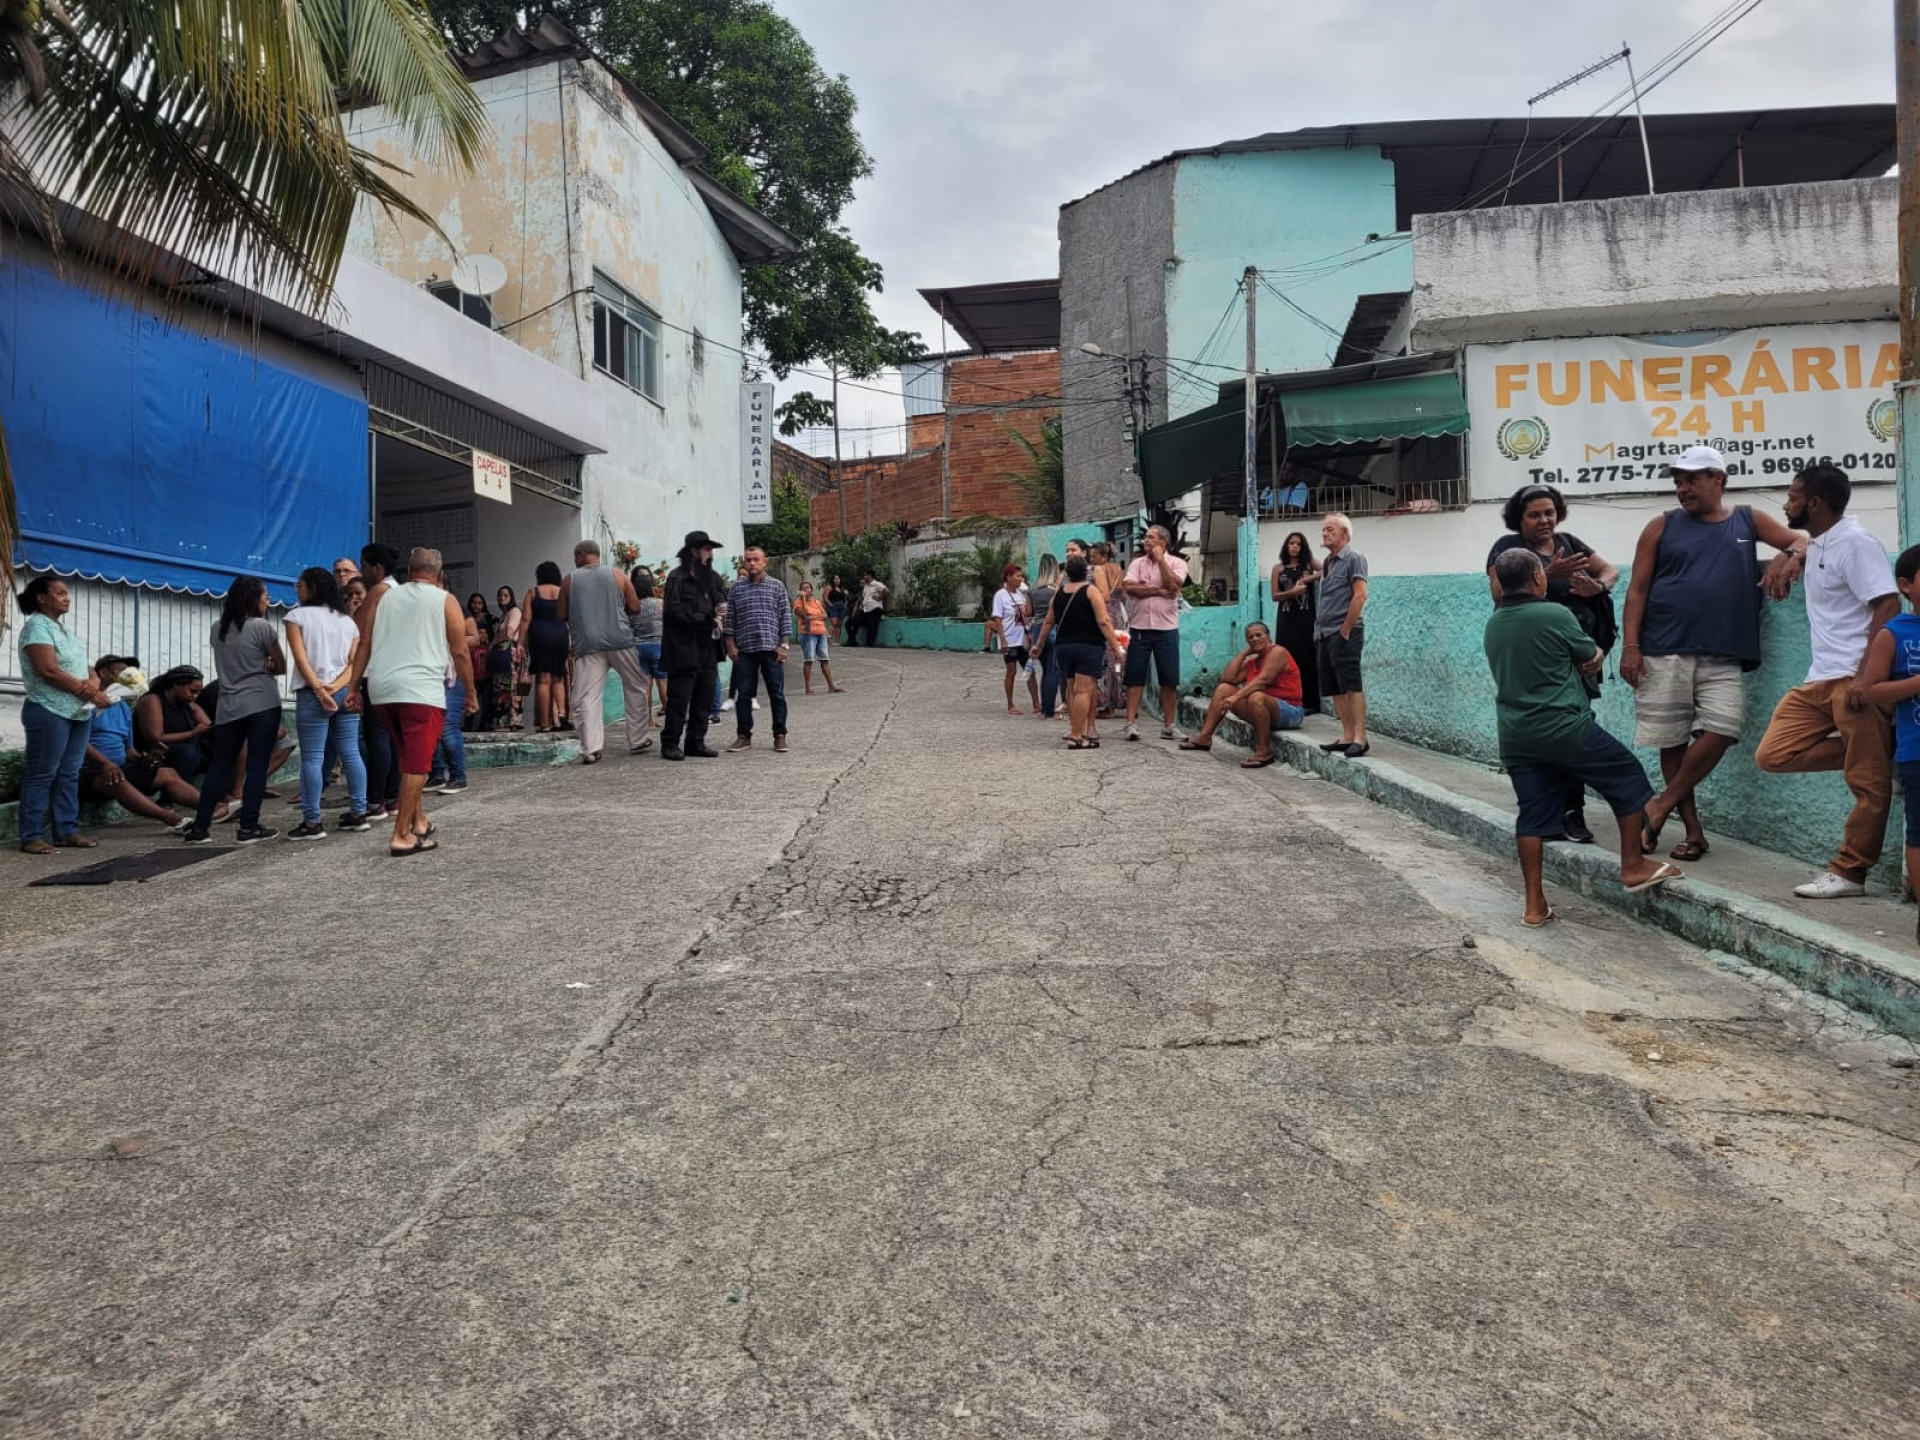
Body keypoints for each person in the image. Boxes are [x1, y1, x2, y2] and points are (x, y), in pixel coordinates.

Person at [1622, 445, 1804, 864]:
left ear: (1718, 480)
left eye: (1692, 479)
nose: (1683, 488)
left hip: (1725, 652)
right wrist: (1631, 647)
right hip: (1663, 648)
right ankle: (1692, 832)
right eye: (1678, 481)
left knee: (1722, 729)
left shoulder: (1746, 519)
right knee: (1672, 740)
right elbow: (1637, 590)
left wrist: (1787, 555)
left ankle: (1660, 805)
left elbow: (1801, 537)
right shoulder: (1660, 526)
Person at [1484, 548, 1680, 925]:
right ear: (1539, 578)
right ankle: (1633, 864)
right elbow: (1589, 654)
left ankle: (1534, 905)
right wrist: (1600, 650)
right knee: (1627, 778)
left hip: (1516, 735)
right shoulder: (1553, 613)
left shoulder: (1495, 621)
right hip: (1565, 726)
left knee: (1532, 817)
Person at [1748, 465, 1897, 898]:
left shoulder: (1856, 543)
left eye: (1792, 497)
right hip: (1819, 681)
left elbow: (1886, 605)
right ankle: (1874, 752)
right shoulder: (1820, 541)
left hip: (1853, 678)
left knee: (1868, 788)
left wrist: (1867, 675)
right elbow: (1804, 543)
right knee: (1773, 753)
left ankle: (1850, 873)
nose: (1787, 504)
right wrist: (1790, 554)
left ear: (1813, 503)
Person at [1487, 484, 1622, 843]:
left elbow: (1610, 571)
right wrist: (1550, 571)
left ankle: (1572, 812)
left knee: (1575, 729)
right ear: (1519, 518)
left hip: (1579, 659)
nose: (1544, 520)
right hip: (1535, 662)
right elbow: (1499, 595)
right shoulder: (1508, 549)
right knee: (1540, 734)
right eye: (1534, 514)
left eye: (1549, 512)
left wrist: (1599, 587)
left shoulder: (1571, 542)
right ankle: (1544, 811)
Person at [350, 547, 476, 856]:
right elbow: (460, 652)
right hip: (420, 690)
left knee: (408, 760)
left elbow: (364, 640)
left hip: (381, 687)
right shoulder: (445, 600)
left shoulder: (384, 595)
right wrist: (471, 692)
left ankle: (419, 821)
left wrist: (354, 686)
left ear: (409, 569)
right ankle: (401, 834)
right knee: (418, 765)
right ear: (439, 573)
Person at [180, 575, 287, 845]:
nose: (268, 602)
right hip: (262, 703)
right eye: (265, 597)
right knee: (257, 765)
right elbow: (281, 665)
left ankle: (200, 827)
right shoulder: (262, 627)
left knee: (220, 766)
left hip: (228, 706)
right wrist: (266, 665)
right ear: (254, 599)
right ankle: (248, 827)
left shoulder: (218, 629)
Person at [14, 576, 112, 853]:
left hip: (77, 713)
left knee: (69, 773)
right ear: (42, 598)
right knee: (42, 773)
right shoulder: (36, 627)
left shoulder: (64, 630)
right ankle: (31, 835)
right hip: (48, 710)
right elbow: (48, 670)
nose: (66, 597)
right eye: (59, 593)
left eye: (67, 593)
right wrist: (92, 693)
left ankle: (66, 830)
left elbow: (86, 667)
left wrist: (93, 682)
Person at [284, 566, 369, 839]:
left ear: (311, 588)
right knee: (351, 752)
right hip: (344, 692)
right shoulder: (347, 622)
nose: (297, 589)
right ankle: (358, 813)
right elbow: (353, 663)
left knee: (312, 757)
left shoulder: (296, 617)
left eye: (300, 585)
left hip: (312, 694)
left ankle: (312, 822)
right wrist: (338, 685)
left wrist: (319, 690)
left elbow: (300, 658)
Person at [1862, 545, 1920, 942]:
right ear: (1906, 586)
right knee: (1919, 832)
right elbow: (1872, 691)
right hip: (1916, 752)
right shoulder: (1894, 633)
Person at [561, 540, 653, 763]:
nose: (575, 561)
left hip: (588, 645)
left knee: (587, 696)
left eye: (575, 557)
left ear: (582, 555)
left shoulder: (569, 580)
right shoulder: (618, 575)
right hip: (620, 640)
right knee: (636, 686)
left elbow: (561, 614)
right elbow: (635, 607)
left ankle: (590, 749)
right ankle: (638, 739)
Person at [1176, 622, 1305, 767]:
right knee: (1224, 689)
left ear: (1268, 636)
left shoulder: (1278, 652)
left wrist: (1236, 697)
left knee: (1256, 697)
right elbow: (1227, 678)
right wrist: (1245, 653)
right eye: (1250, 637)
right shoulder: (1253, 662)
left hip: (1290, 711)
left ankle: (1264, 750)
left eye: (1258, 635)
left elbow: (1263, 680)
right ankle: (1205, 737)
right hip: (1261, 710)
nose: (1254, 639)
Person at [1029, 553, 1121, 749]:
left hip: (1063, 647)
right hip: (1087, 646)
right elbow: (1104, 621)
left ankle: (1073, 728)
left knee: (1071, 689)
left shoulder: (1059, 593)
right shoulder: (1091, 591)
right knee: (1084, 691)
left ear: (1067, 573)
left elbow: (1048, 620)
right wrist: (1116, 646)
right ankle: (1078, 735)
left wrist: (1038, 644)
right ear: (1086, 572)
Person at [660, 530, 728, 761]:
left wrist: (720, 606)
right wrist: (707, 620)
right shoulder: (676, 578)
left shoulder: (712, 577)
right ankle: (670, 743)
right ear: (694, 551)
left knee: (704, 698)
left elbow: (720, 594)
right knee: (679, 700)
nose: (711, 554)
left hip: (708, 648)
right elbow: (674, 611)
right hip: (683, 648)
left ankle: (695, 742)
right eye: (707, 549)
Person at [1120, 525, 1187, 742]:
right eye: (1146, 537)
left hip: (1166, 629)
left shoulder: (1177, 563)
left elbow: (1174, 584)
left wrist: (1161, 562)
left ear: (1163, 541)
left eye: (1151, 537)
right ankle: (1130, 724)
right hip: (1139, 628)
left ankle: (1168, 726)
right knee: (1134, 677)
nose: (1145, 541)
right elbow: (1129, 587)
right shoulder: (1137, 563)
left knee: (1169, 679)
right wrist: (1158, 591)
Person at [724, 546, 792, 753]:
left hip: (771, 647)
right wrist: (730, 644)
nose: (752, 563)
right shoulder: (736, 589)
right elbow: (730, 619)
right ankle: (743, 736)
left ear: (765, 562)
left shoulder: (777, 586)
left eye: (756, 559)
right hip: (745, 649)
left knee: (777, 694)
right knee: (744, 694)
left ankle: (780, 735)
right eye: (748, 560)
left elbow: (785, 617)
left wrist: (784, 644)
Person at [1316, 513, 1370, 758]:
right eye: (1324, 530)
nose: (1325, 534)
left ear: (1345, 534)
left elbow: (1360, 595)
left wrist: (1346, 629)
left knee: (1350, 684)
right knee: (1334, 687)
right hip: (1324, 633)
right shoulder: (1327, 562)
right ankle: (1347, 735)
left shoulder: (1354, 558)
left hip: (1344, 631)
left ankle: (1361, 738)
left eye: (1330, 530)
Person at [355, 543, 403, 820]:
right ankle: (392, 795)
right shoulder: (399, 590)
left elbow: (357, 626)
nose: (362, 571)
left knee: (378, 738)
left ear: (377, 568)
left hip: (376, 670)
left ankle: (375, 799)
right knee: (392, 738)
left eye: (363, 565)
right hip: (396, 669)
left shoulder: (378, 591)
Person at [135, 665, 213, 789]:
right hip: (159, 752)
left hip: (189, 748)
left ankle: (224, 792)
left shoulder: (189, 704)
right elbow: (155, 737)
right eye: (192, 691)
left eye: (198, 693)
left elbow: (209, 726)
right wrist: (193, 733)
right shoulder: (152, 700)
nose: (195, 696)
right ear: (176, 685)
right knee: (187, 753)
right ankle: (168, 798)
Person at [1270, 531, 1321, 718]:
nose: (1295, 547)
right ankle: (1289, 699)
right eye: (1291, 543)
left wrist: (1308, 578)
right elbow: (1275, 596)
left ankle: (1311, 702)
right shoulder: (1278, 568)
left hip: (1307, 617)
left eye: (1298, 544)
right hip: (1286, 618)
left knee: (1308, 657)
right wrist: (1293, 591)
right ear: (1286, 545)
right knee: (1286, 657)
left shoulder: (1308, 565)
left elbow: (1328, 569)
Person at [523, 560, 570, 732]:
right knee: (558, 677)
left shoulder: (533, 592)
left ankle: (545, 724)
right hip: (560, 635)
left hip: (540, 636)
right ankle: (562, 713)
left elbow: (526, 619)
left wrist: (521, 642)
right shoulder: (563, 592)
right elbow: (570, 616)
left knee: (543, 680)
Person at [990, 563, 1042, 717]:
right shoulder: (1000, 595)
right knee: (1011, 671)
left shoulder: (1021, 594)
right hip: (1010, 639)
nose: (1021, 579)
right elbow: (998, 619)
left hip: (1023, 639)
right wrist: (1003, 640)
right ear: (1009, 577)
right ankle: (1010, 704)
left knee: (1029, 670)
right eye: (1018, 576)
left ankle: (1036, 704)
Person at [1090, 541, 1128, 718]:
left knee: (1107, 660)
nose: (1091, 560)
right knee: (1119, 659)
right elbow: (1124, 594)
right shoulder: (1119, 570)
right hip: (1120, 614)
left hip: (1106, 614)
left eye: (1094, 556)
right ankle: (1120, 699)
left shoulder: (1100, 570)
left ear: (1103, 557)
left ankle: (1108, 705)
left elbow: (1103, 595)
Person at [628, 566, 668, 718]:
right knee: (663, 683)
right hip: (658, 645)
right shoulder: (660, 603)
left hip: (639, 647)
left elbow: (629, 626)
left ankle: (648, 722)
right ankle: (670, 717)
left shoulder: (632, 606)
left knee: (645, 687)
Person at [792, 581, 841, 695]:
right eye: (803, 588)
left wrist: (813, 616)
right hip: (807, 633)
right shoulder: (798, 603)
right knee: (808, 660)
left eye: (808, 588)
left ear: (811, 590)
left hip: (821, 632)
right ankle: (808, 688)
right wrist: (803, 600)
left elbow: (824, 615)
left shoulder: (817, 602)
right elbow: (804, 615)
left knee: (824, 659)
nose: (806, 590)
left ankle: (831, 686)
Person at [490, 583, 526, 731]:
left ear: (511, 598)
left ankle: (514, 721)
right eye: (500, 595)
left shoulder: (515, 611)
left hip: (510, 652)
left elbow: (509, 633)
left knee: (512, 687)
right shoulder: (503, 616)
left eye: (505, 595)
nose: (502, 598)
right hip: (501, 654)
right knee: (501, 688)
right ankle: (502, 721)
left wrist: (492, 643)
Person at [1029, 555, 1061, 719]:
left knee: (1045, 671)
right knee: (1053, 671)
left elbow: (1028, 612)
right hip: (1053, 629)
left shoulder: (1033, 589)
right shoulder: (1055, 590)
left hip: (1036, 630)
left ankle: (1044, 708)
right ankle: (1049, 710)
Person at [464, 592, 495, 731]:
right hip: (471, 660)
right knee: (472, 695)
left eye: (479, 603)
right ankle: (468, 724)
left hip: (485, 659)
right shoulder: (465, 619)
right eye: (474, 602)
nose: (476, 605)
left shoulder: (489, 619)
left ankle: (485, 724)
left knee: (487, 699)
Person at [851, 569, 888, 647]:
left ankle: (869, 644)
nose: (864, 577)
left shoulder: (876, 584)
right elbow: (864, 598)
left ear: (870, 576)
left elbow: (886, 590)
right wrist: (861, 606)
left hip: (875, 608)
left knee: (872, 626)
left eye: (865, 575)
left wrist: (880, 598)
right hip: (866, 609)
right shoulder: (866, 586)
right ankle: (851, 640)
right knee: (855, 620)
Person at [825, 575, 850, 644]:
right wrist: (830, 604)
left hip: (841, 607)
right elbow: (825, 597)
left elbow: (845, 598)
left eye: (838, 579)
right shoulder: (829, 587)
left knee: (839, 624)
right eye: (835, 579)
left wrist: (846, 595)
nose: (837, 580)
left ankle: (836, 641)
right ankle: (829, 640)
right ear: (832, 580)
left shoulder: (841, 588)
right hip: (833, 606)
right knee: (833, 623)